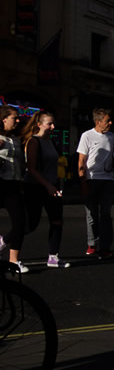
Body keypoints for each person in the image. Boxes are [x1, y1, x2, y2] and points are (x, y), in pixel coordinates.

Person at [21, 110, 69, 268]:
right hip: (35, 186)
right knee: (31, 224)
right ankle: (4, 240)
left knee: (57, 220)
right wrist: (48, 185)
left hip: (52, 186)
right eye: (50, 124)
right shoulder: (34, 141)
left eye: (53, 123)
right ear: (39, 125)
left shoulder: (53, 142)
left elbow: (56, 165)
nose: (53, 126)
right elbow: (32, 169)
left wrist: (58, 184)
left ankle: (53, 257)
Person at [77, 108, 114, 259]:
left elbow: (112, 156)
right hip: (92, 179)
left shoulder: (111, 136)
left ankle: (105, 247)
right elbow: (81, 161)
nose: (110, 123)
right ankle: (92, 243)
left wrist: (113, 172)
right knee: (91, 214)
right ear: (98, 122)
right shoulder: (86, 136)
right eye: (107, 120)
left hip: (108, 180)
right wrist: (83, 182)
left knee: (106, 214)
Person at [0, 106, 28, 273]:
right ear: (4, 119)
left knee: (20, 222)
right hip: (0, 183)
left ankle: (13, 260)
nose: (17, 121)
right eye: (14, 118)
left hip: (13, 184)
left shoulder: (16, 140)